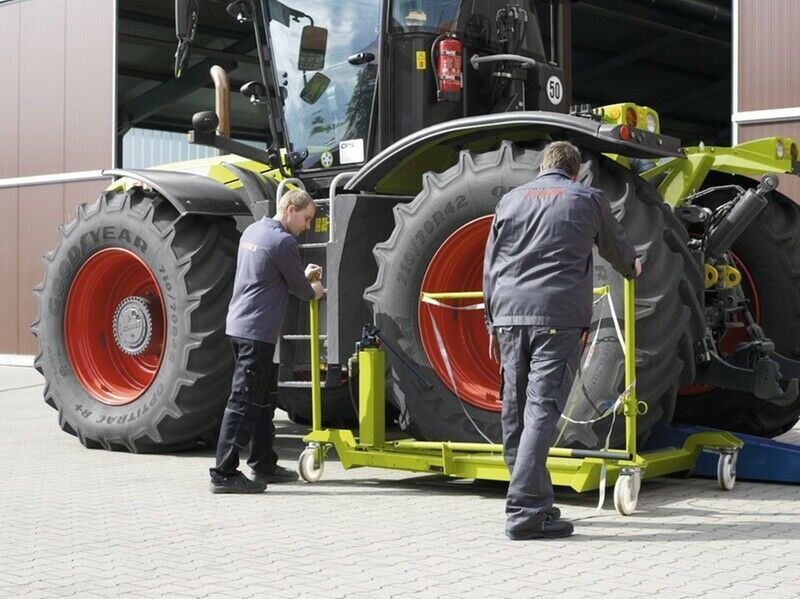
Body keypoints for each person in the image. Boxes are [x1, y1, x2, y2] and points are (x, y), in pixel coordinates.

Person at [483, 141, 642, 539]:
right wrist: (634, 266)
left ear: (542, 168)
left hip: (507, 315)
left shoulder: (510, 201)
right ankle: (524, 513)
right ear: (576, 172)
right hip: (556, 317)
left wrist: (491, 322)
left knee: (516, 411)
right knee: (541, 411)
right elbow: (618, 251)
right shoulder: (587, 197)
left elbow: (491, 265)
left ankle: (535, 504)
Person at [210, 189, 324, 494]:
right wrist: (315, 288)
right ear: (289, 209)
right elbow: (302, 289)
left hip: (239, 326)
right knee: (243, 402)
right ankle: (223, 473)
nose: (307, 226)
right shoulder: (283, 241)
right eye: (306, 218)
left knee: (262, 400)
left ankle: (263, 463)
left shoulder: (253, 231)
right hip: (257, 333)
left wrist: (300, 276)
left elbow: (269, 275)